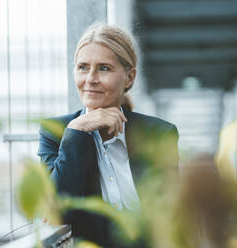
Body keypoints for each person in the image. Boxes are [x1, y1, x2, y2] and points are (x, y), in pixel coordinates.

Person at [38, 23, 179, 247]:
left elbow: (167, 213)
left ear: (130, 78)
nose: (91, 79)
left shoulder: (158, 134)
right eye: (83, 67)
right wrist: (77, 131)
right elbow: (57, 211)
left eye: (104, 68)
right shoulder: (55, 132)